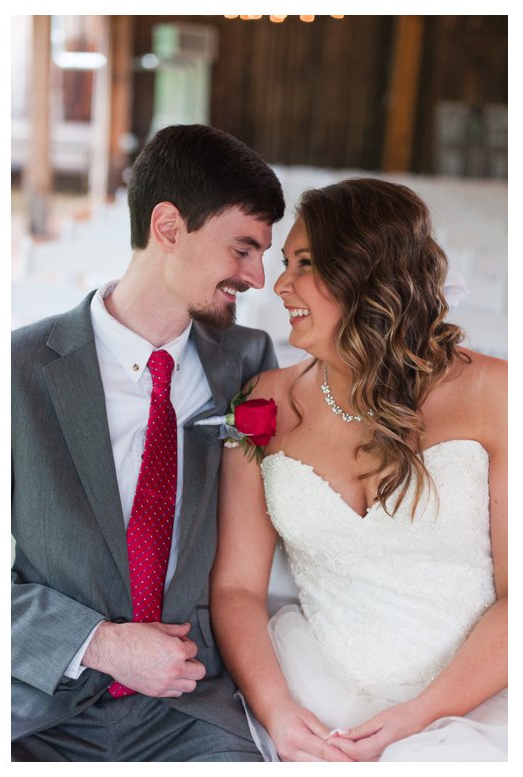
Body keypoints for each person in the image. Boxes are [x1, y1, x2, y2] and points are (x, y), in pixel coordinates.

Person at [11, 124, 285, 761]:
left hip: (190, 706)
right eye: (243, 250)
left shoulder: (251, 364)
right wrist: (99, 643)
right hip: (38, 709)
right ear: (168, 227)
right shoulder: (22, 367)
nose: (258, 277)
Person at [210, 178, 507, 761]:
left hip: (476, 702)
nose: (280, 283)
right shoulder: (257, 405)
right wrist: (279, 712)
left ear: (366, 275)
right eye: (284, 262)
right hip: (312, 693)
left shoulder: (496, 393)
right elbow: (237, 588)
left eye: (304, 264)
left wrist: (418, 716)